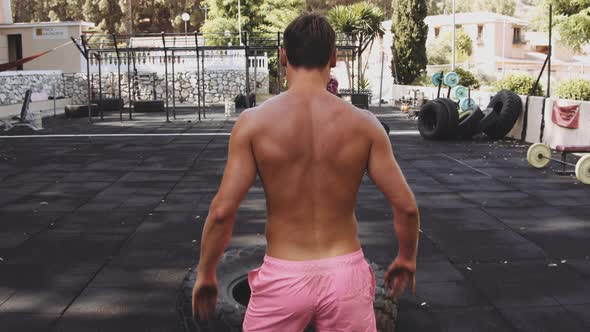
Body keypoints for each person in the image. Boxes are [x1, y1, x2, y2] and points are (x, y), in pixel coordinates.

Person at [193, 13, 419, 331]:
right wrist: (407, 258)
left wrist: (206, 273)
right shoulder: (365, 124)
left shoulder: (254, 123)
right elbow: (407, 207)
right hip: (346, 277)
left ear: (282, 55)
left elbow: (221, 212)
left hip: (283, 276)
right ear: (334, 57)